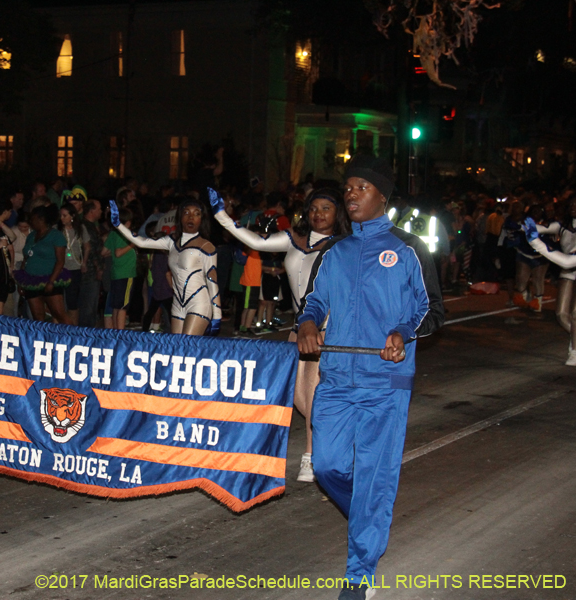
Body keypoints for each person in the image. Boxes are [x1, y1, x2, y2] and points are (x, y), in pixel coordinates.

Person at [296, 154, 444, 600]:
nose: (351, 194)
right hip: (337, 381)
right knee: (327, 466)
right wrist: (307, 324)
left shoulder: (408, 249)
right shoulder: (333, 252)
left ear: (382, 196)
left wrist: (402, 332)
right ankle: (369, 518)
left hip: (385, 385)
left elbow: (432, 310)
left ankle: (359, 577)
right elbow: (314, 302)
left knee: (375, 481)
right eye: (348, 187)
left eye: (361, 187)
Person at [211, 186, 350, 482]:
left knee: (311, 394)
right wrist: (221, 214)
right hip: (299, 325)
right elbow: (253, 241)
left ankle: (311, 456)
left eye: (326, 208)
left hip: (326, 328)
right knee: (298, 397)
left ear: (338, 213)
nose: (319, 214)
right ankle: (337, 434)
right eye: (314, 208)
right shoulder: (293, 239)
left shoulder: (344, 246)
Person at [111, 198, 221, 336]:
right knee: (176, 349)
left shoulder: (206, 246)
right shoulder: (170, 242)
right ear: (179, 216)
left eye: (196, 213)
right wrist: (118, 225)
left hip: (199, 303)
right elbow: (141, 242)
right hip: (178, 305)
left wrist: (217, 315)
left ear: (202, 219)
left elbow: (212, 281)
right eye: (186, 212)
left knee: (186, 347)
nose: (191, 217)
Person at [532, 199, 576, 364]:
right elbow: (542, 228)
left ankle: (574, 351)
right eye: (571, 204)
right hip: (568, 270)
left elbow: (567, 261)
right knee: (561, 314)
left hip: (570, 263)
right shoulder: (562, 226)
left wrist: (536, 243)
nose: (573, 207)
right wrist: (524, 227)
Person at [16, 205, 71, 325]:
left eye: (33, 218)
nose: (31, 221)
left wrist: (51, 281)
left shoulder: (56, 236)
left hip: (49, 278)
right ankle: (42, 340)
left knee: (59, 314)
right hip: (31, 280)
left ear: (41, 219)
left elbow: (60, 261)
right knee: (38, 318)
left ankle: (75, 339)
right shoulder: (31, 236)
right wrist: (22, 281)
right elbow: (26, 258)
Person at [78, 199, 105, 328]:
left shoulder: (93, 225)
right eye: (99, 209)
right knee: (88, 305)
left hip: (92, 272)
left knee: (92, 304)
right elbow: (91, 250)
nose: (101, 212)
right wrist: (98, 268)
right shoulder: (85, 226)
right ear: (91, 211)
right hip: (89, 273)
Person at [58, 203, 86, 324]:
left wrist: (84, 262)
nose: (62, 218)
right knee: (58, 299)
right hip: (60, 268)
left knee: (72, 299)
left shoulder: (80, 229)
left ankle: (73, 327)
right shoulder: (57, 229)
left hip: (75, 268)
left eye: (65, 215)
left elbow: (87, 246)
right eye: (61, 215)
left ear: (72, 216)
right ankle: (58, 327)